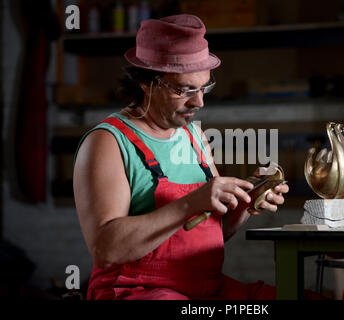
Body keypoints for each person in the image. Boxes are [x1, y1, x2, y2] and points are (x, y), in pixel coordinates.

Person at [73, 14, 289, 300]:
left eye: (204, 87)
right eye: (184, 90)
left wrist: (247, 204)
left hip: (204, 288)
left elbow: (205, 235)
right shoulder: (108, 142)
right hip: (136, 290)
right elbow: (106, 249)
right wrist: (192, 202)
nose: (199, 101)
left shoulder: (194, 137)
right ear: (146, 83)